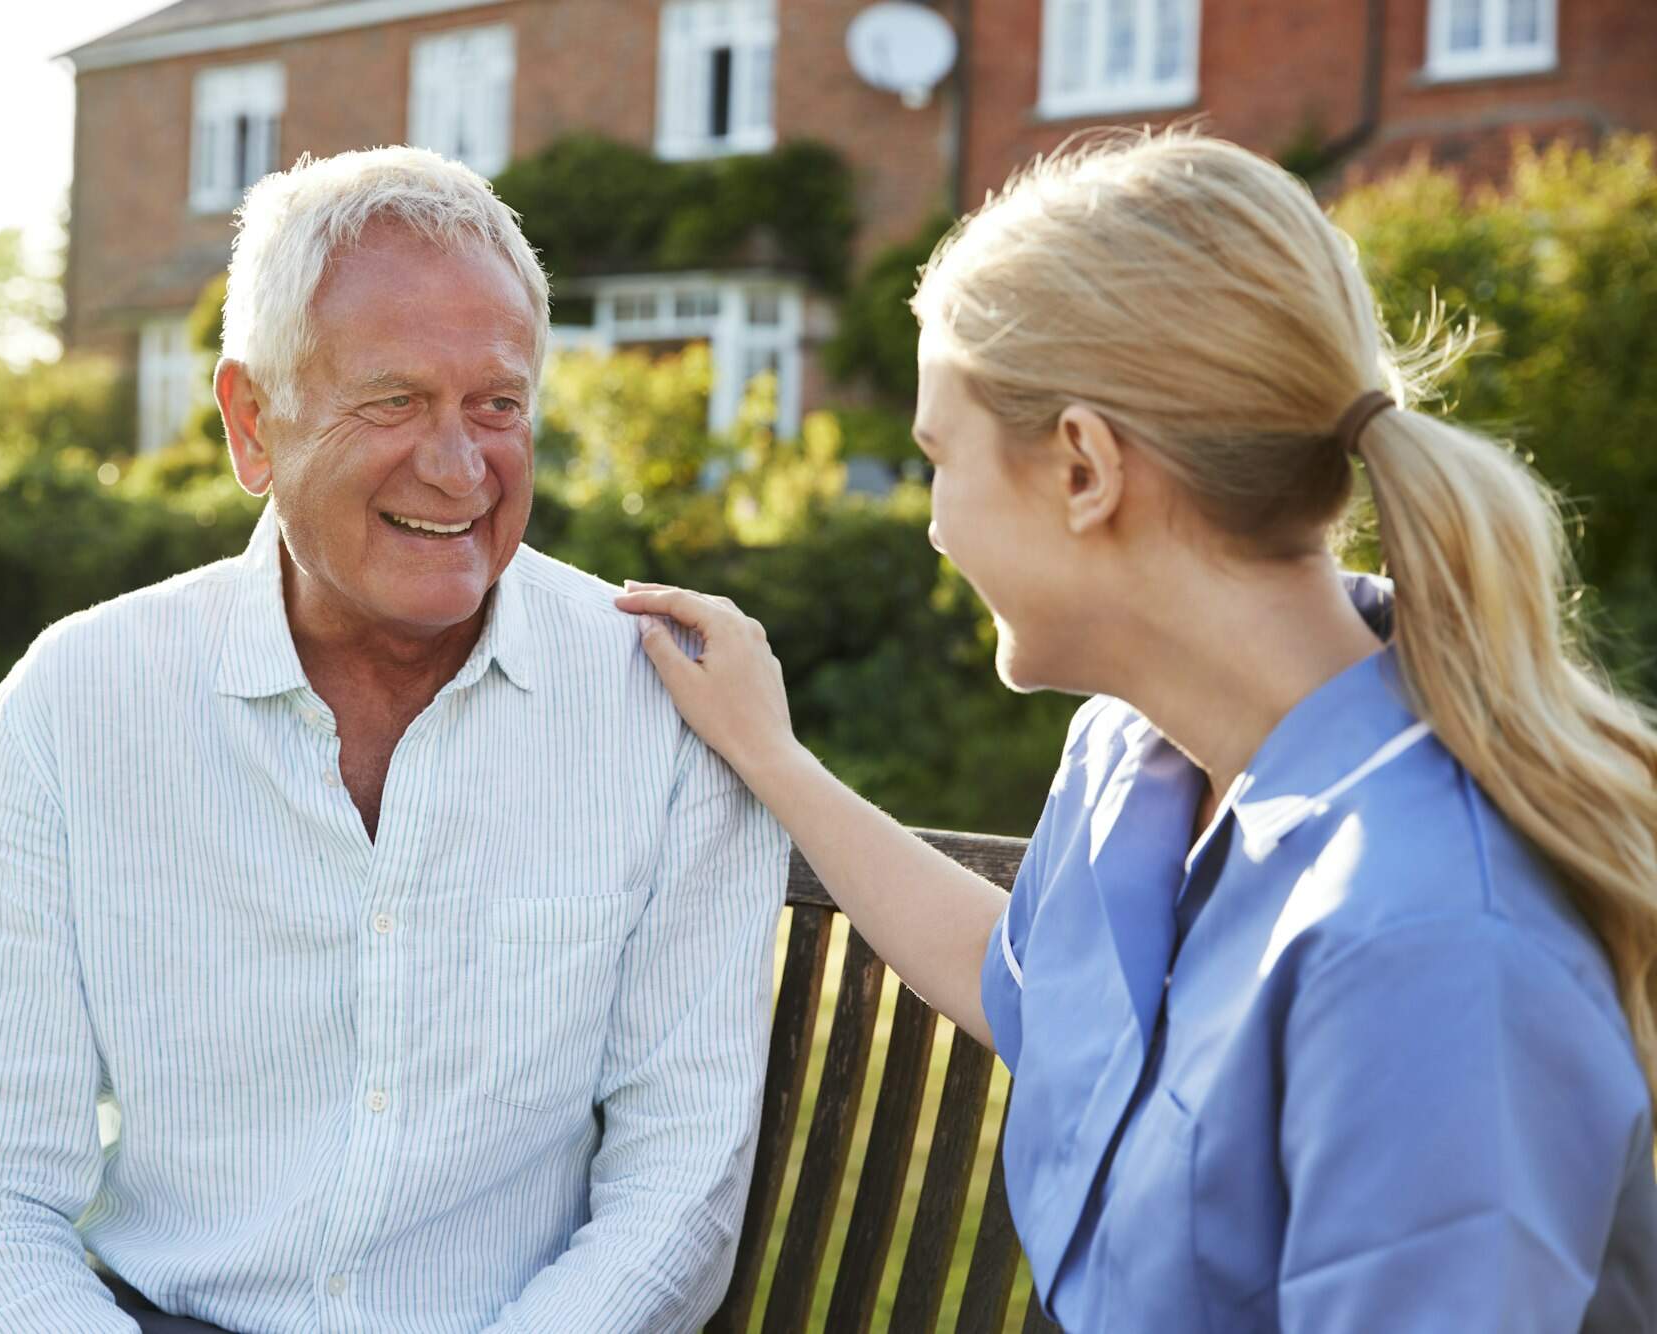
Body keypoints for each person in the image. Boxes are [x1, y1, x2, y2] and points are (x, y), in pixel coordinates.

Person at [617, 130, 1657, 1331]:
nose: (936, 529)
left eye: (938, 460)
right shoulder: (1133, 756)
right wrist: (771, 758)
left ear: (1081, 467)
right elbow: (1020, 984)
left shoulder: (1426, 941)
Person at [0, 147, 789, 1334]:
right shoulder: (77, 704)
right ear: (253, 422)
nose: (458, 466)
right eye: (392, 400)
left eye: (496, 403)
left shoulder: (659, 706)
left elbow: (680, 1187)